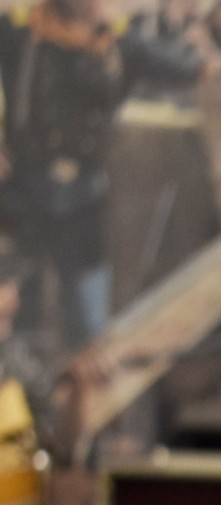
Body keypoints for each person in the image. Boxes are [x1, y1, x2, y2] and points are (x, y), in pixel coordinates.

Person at [0, 0, 205, 348]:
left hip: (82, 198)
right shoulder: (21, 30)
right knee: (17, 313)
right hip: (23, 194)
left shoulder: (119, 41)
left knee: (89, 326)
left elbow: (187, 68)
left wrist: (214, 53)